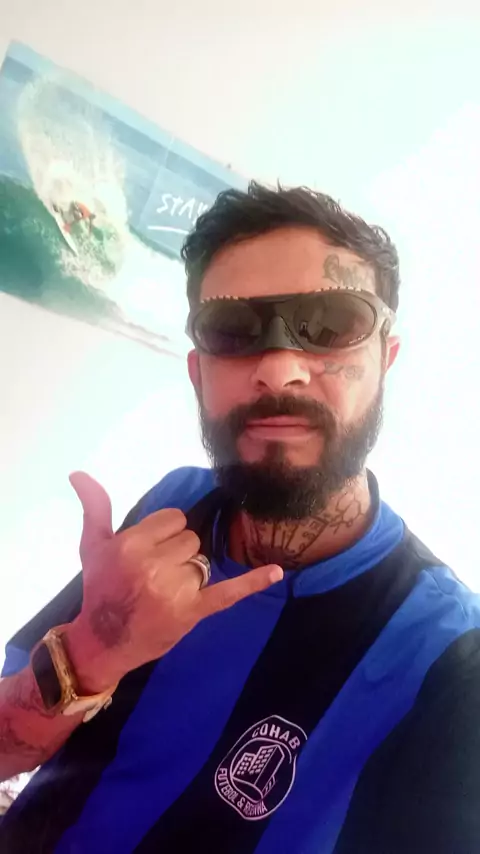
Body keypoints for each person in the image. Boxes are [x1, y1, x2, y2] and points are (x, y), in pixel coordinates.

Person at [1, 183, 479, 853]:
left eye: (331, 324)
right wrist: (90, 653)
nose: (279, 370)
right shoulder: (172, 510)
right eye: (233, 330)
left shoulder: (450, 662)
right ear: (198, 372)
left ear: (384, 360)